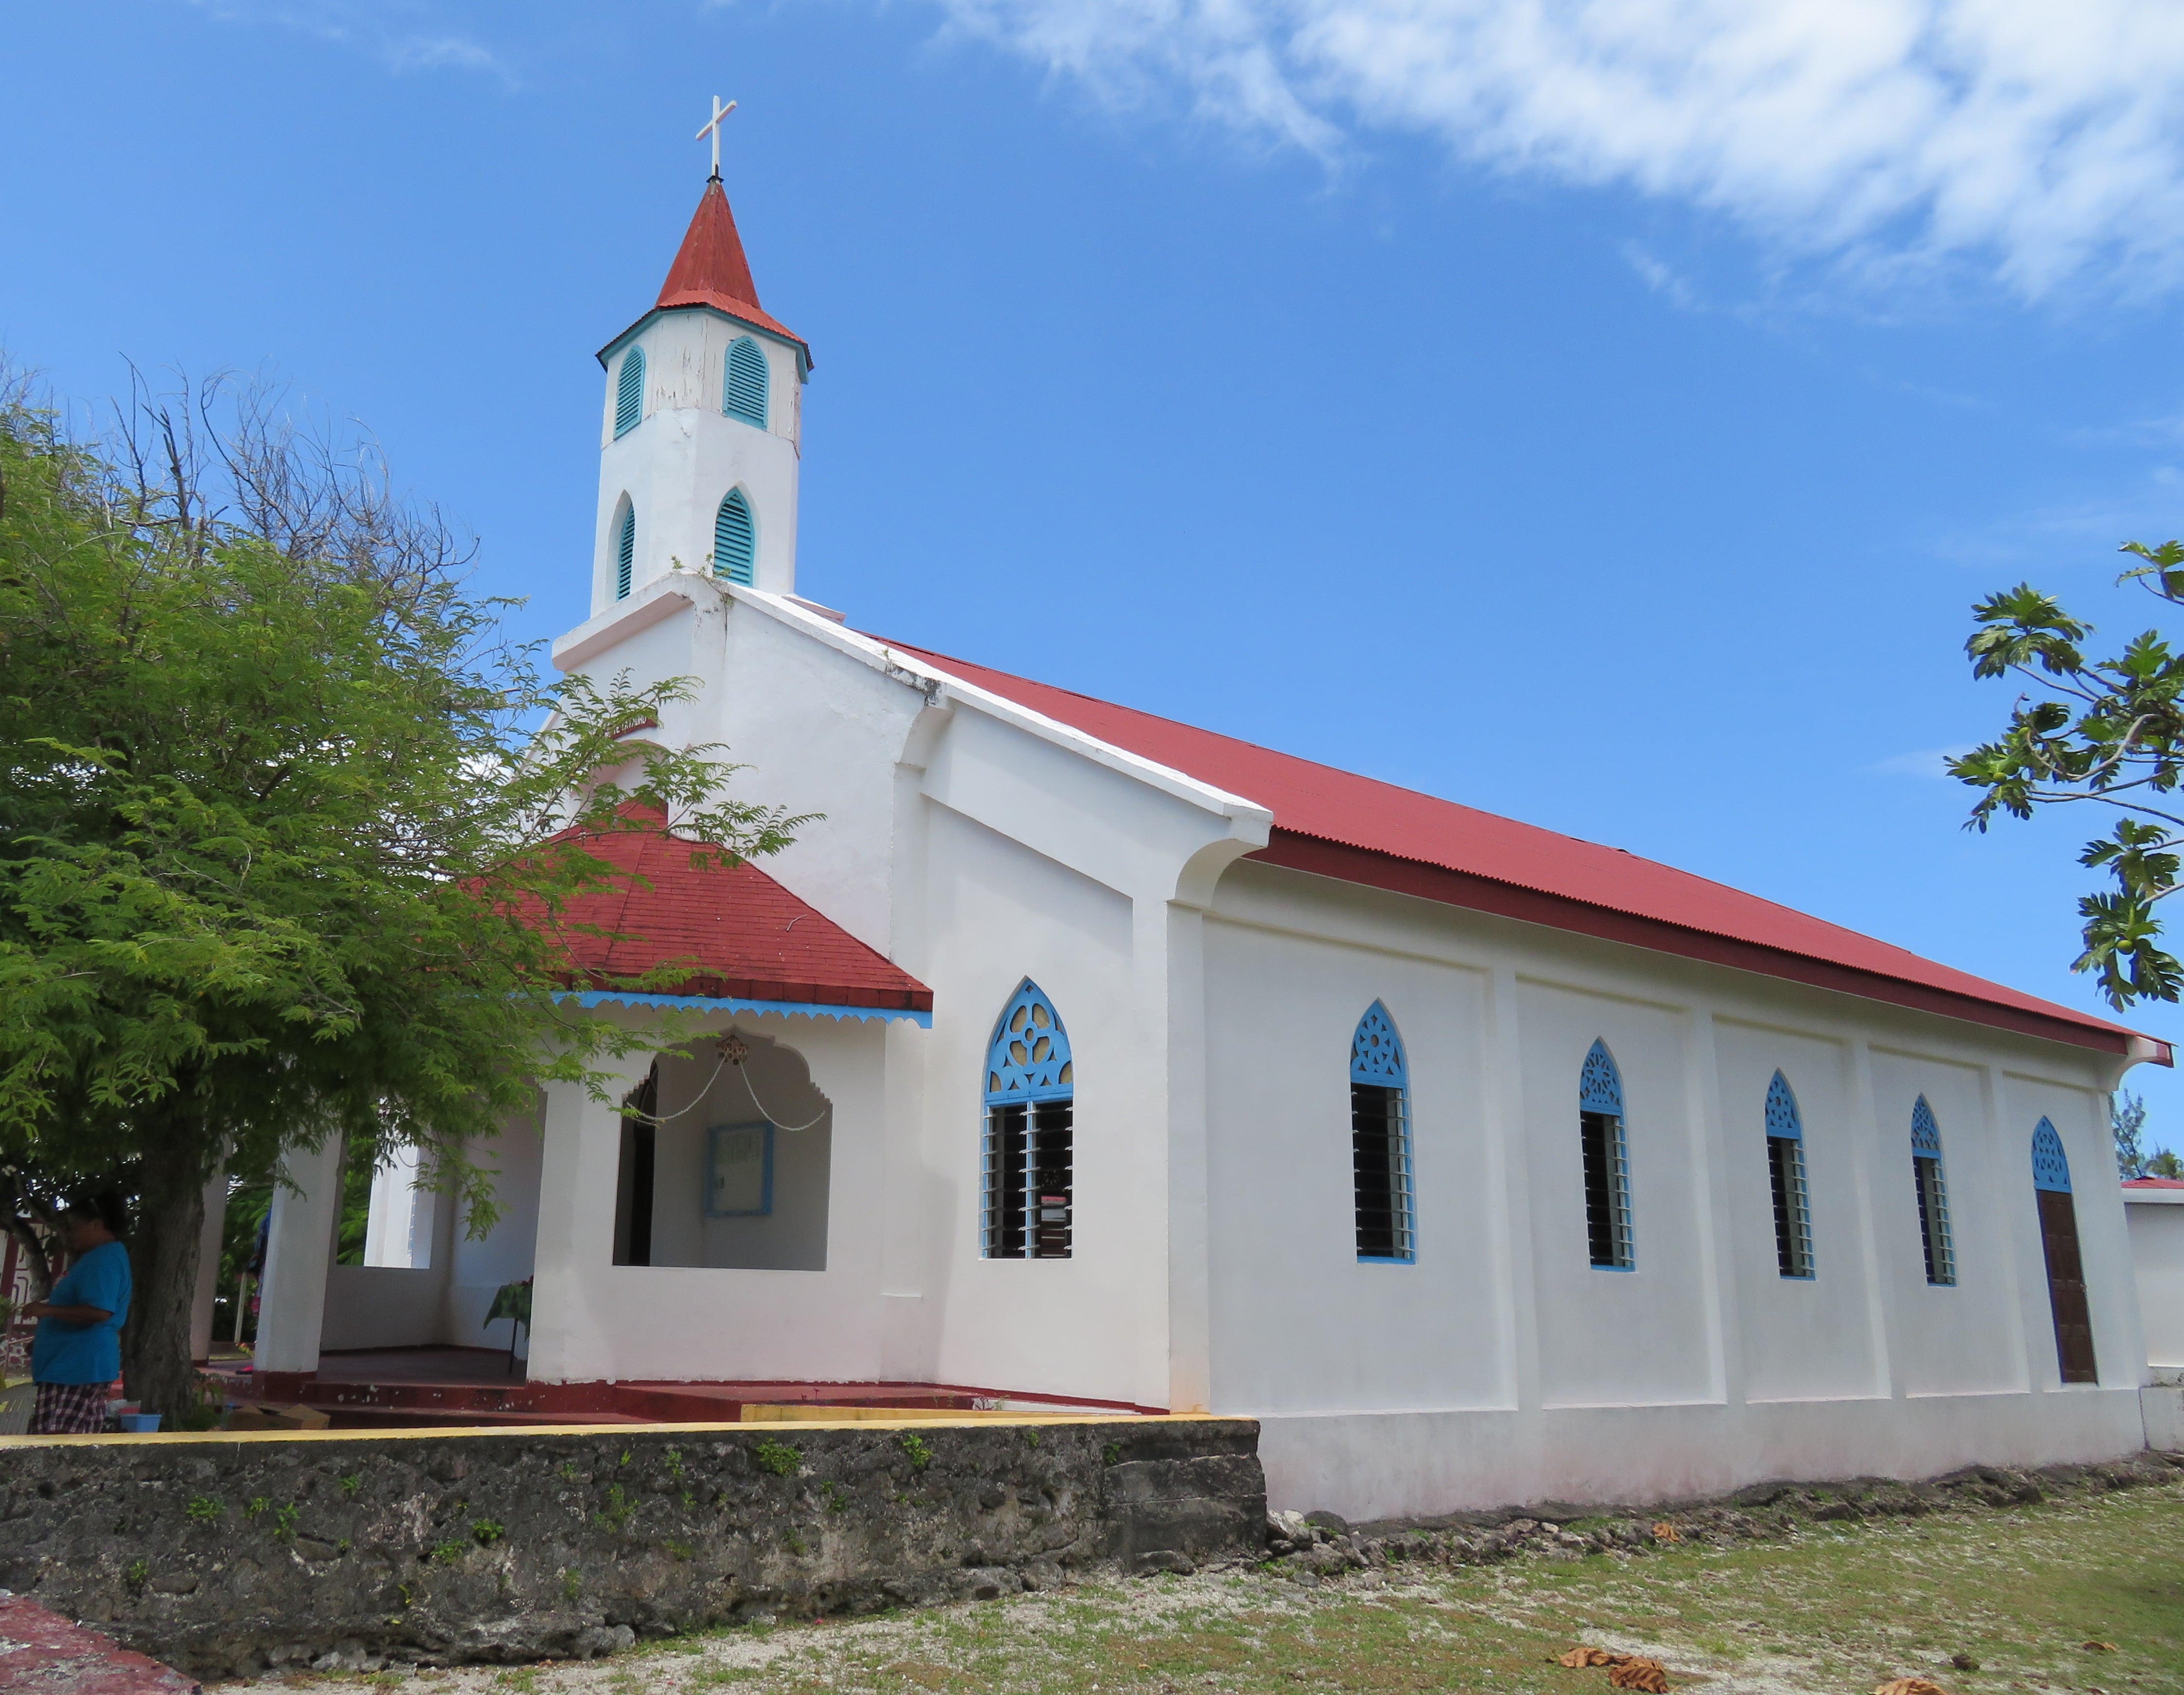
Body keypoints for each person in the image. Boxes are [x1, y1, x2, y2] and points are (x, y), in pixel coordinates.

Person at [20, 1195, 132, 1435]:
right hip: (72, 1366)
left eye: (74, 1227)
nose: (69, 1234)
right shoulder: (98, 1258)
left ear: (96, 1224)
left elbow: (99, 1312)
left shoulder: (103, 1258)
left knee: (53, 1445)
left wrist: (47, 1311)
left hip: (76, 1369)